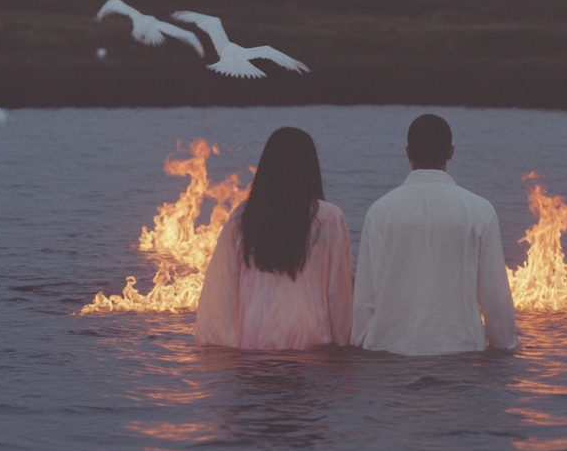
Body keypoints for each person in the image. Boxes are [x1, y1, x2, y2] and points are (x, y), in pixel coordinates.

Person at [351, 114, 519, 356]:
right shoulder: (479, 210)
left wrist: (358, 348)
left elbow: (365, 300)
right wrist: (504, 345)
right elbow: (495, 297)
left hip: (388, 354)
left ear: (408, 153)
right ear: (451, 152)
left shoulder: (379, 211)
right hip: (459, 352)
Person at [194, 127, 353, 350]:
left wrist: (216, 348)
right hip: (310, 342)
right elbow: (338, 291)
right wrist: (344, 345)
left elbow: (222, 288)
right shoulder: (329, 217)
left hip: (253, 340)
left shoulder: (243, 217)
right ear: (310, 167)